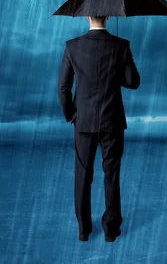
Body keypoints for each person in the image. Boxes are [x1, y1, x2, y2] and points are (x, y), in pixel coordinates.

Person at [58, 15, 140, 243]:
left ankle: (84, 230)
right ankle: (111, 230)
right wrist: (123, 56)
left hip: (83, 122)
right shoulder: (121, 45)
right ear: (109, 15)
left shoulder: (72, 46)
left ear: (86, 15)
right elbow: (133, 82)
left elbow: (63, 89)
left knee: (83, 175)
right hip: (112, 122)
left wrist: (72, 115)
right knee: (111, 175)